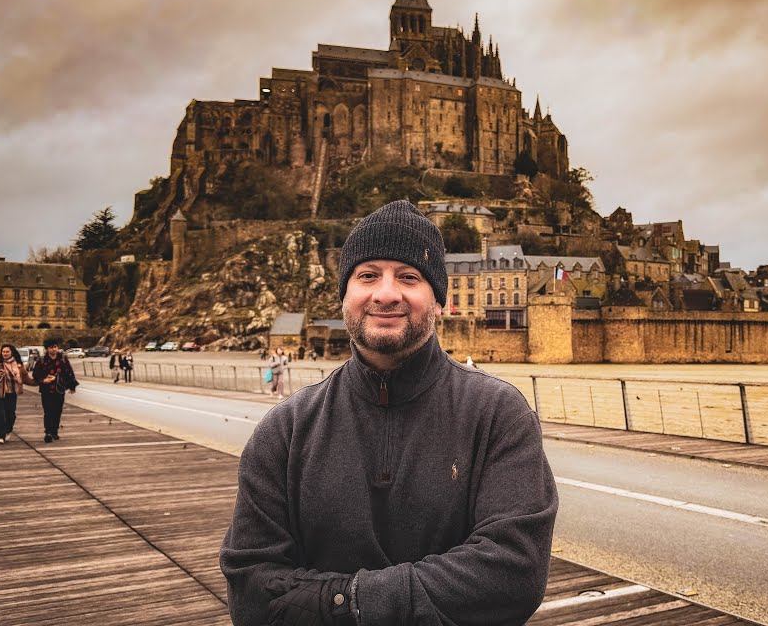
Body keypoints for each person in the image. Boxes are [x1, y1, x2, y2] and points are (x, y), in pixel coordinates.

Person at [221, 200, 557, 626]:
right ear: (345, 295)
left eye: (409, 277)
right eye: (367, 275)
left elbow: (513, 573)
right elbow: (251, 591)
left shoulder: (497, 414)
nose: (385, 293)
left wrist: (344, 601)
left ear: (439, 301)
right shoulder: (285, 429)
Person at [0, 344, 35, 445]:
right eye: (3, 352)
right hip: (0, 394)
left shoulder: (19, 366)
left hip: (12, 393)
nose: (5, 354)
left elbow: (26, 379)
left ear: (12, 353)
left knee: (11, 415)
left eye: (7, 352)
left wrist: (39, 382)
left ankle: (7, 430)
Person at [31, 337, 79, 443]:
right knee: (48, 411)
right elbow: (36, 374)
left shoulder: (62, 359)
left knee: (57, 411)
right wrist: (43, 380)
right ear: (47, 349)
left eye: (55, 347)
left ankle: (54, 431)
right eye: (51, 347)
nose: (54, 349)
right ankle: (48, 432)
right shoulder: (42, 360)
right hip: (46, 390)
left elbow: (69, 373)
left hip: (59, 390)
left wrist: (72, 386)